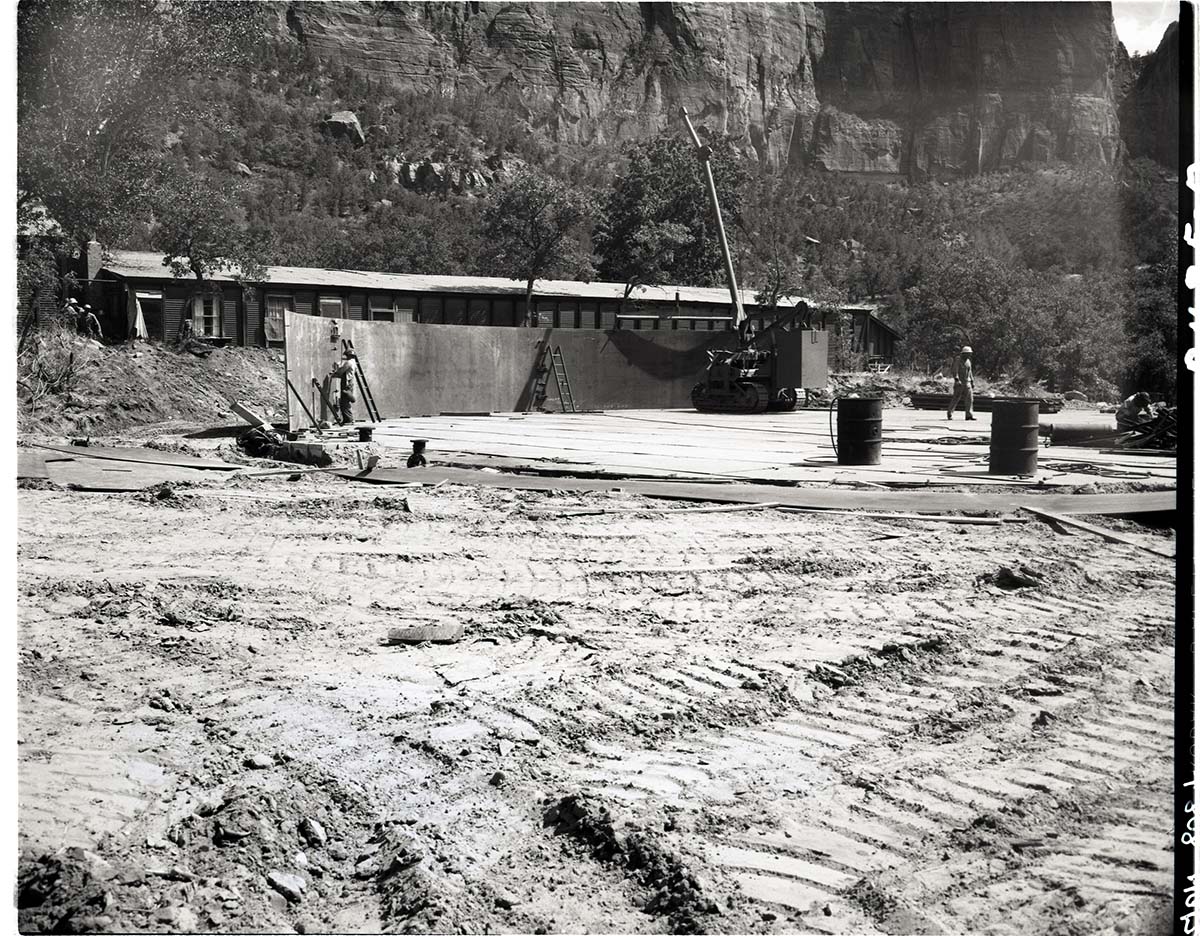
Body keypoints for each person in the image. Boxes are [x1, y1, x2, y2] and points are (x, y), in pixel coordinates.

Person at [947, 345, 975, 420]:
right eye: (968, 353)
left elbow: (970, 372)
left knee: (970, 399)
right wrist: (956, 379)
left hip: (967, 382)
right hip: (959, 383)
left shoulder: (968, 361)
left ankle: (969, 415)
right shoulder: (958, 360)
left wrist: (972, 381)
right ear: (963, 353)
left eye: (970, 353)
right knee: (956, 398)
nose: (970, 355)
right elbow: (954, 370)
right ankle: (950, 413)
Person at [330, 350, 357, 425]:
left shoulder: (348, 363)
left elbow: (341, 371)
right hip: (350, 383)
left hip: (346, 383)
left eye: (347, 355)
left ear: (348, 355)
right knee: (346, 402)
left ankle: (348, 420)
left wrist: (336, 369)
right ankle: (348, 419)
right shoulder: (354, 363)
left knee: (344, 403)